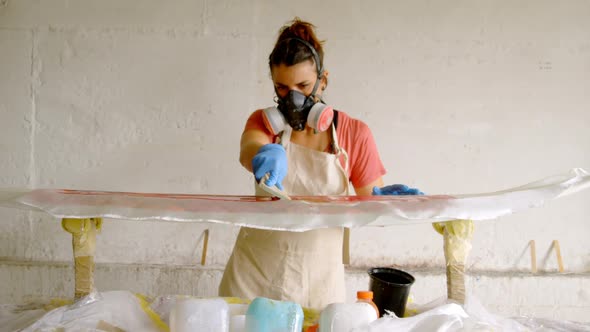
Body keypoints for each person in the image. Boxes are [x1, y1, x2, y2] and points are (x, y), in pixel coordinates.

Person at [219, 18, 422, 309]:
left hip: (317, 283)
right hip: (252, 277)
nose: (294, 98)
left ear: (323, 80)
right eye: (282, 88)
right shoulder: (264, 124)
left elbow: (369, 199)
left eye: (303, 85)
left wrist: (382, 199)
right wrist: (263, 154)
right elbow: (249, 148)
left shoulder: (354, 133)